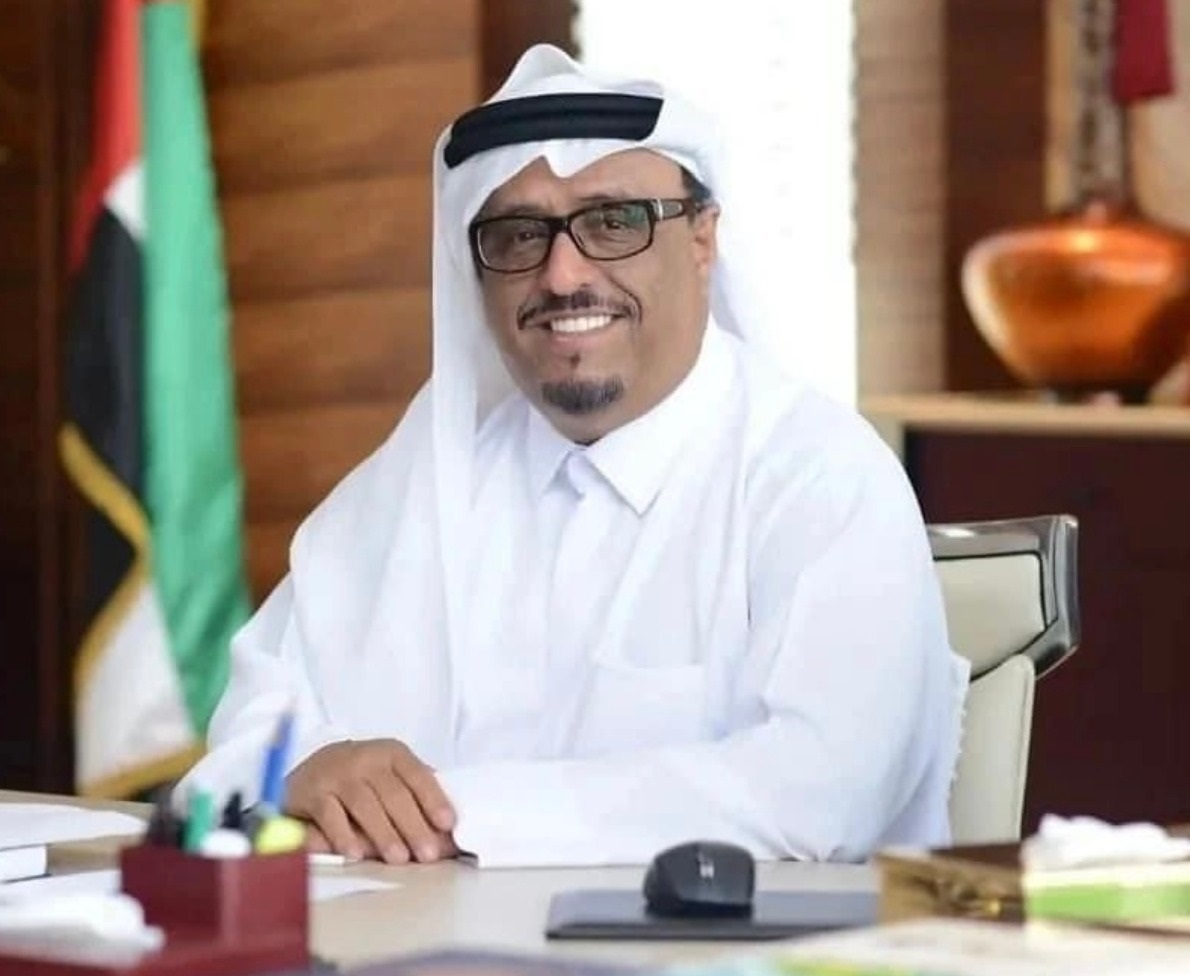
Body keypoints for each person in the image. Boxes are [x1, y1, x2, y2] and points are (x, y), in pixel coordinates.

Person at [178, 44, 969, 867]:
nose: (562, 275)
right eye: (519, 235)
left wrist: (444, 814)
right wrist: (305, 773)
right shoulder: (420, 483)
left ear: (703, 240)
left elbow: (817, 797)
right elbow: (247, 733)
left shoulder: (820, 478)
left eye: (613, 222)